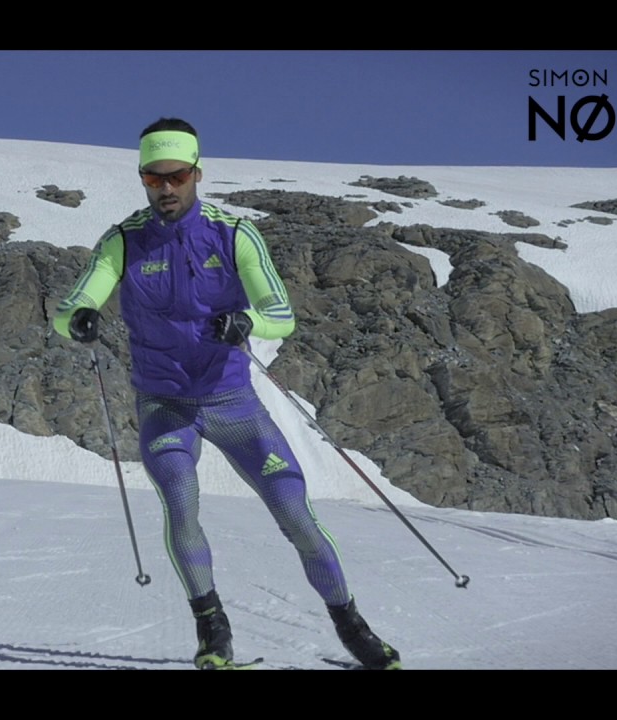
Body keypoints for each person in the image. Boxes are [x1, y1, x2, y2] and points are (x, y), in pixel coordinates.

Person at [52, 118, 401, 670]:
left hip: (231, 402)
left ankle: (352, 625)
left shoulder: (234, 233)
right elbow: (73, 303)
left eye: (178, 176)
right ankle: (212, 630)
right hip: (164, 405)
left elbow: (281, 314)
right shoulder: (123, 240)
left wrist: (248, 322)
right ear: (143, 178)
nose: (166, 188)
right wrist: (80, 319)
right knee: (182, 509)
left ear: (197, 174)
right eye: (153, 178)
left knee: (296, 513)